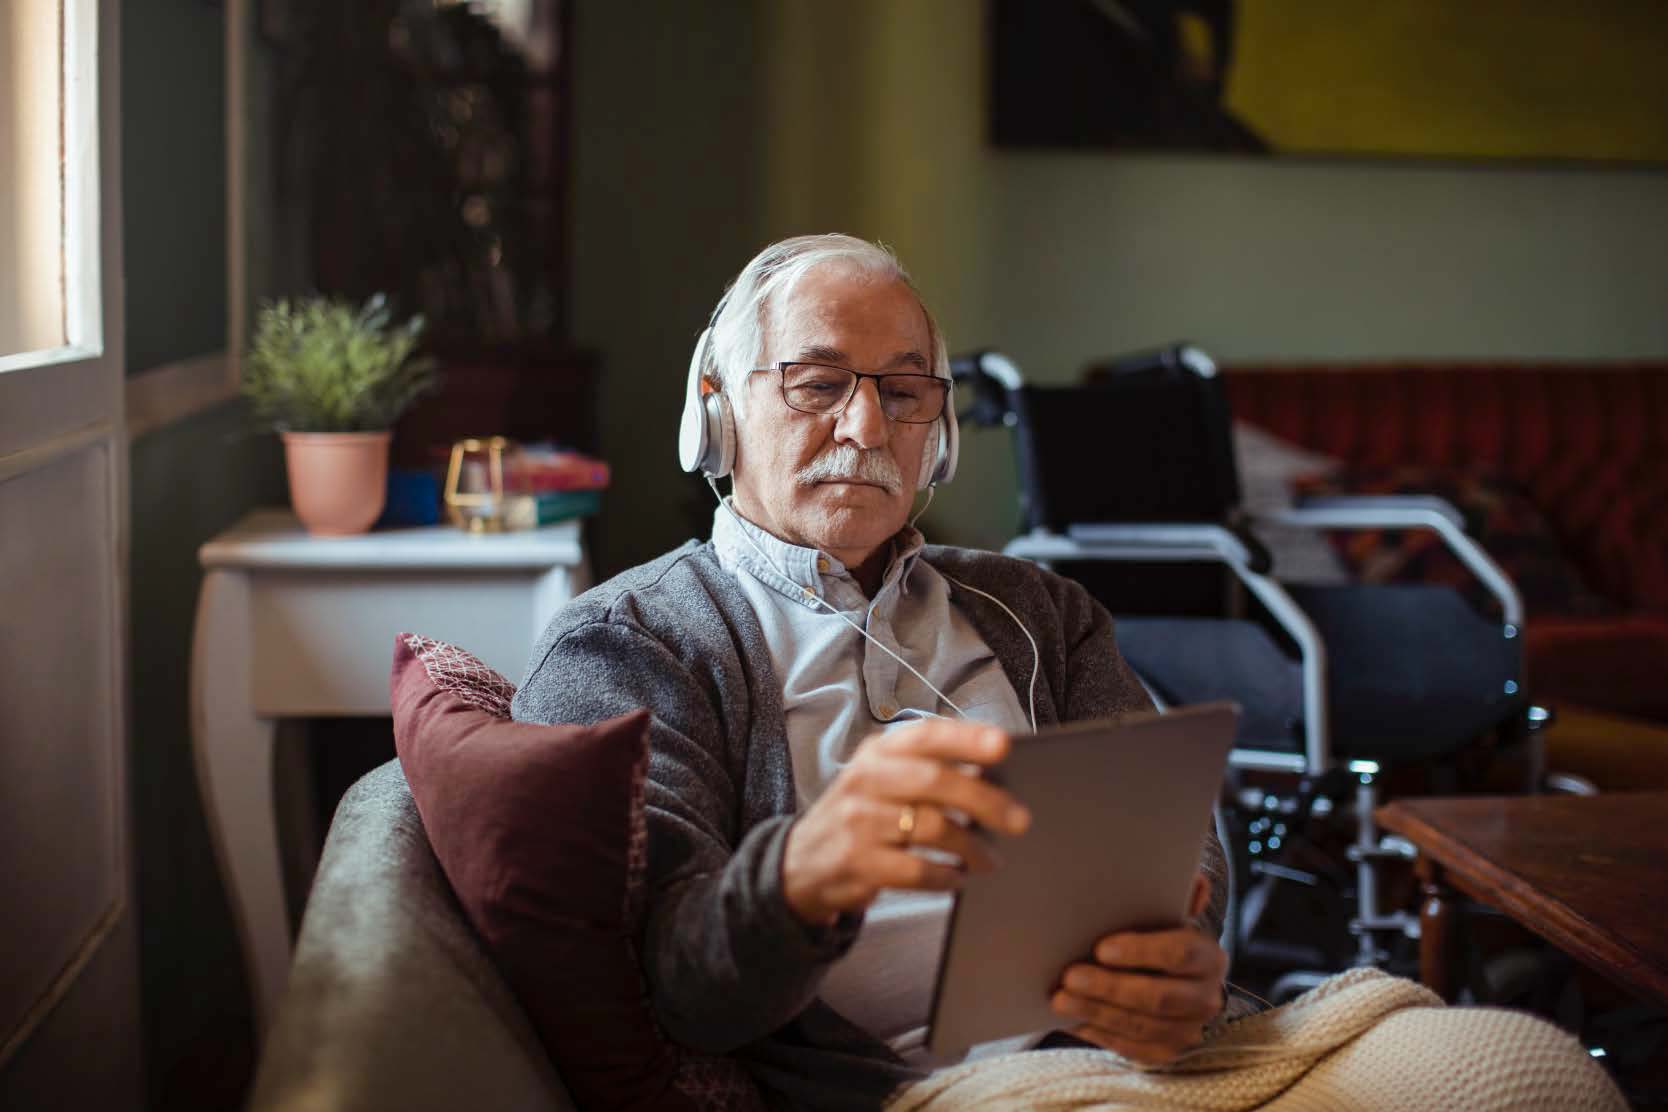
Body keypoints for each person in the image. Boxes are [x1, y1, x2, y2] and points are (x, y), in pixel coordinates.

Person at [511, 234, 1235, 1109]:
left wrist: (1178, 958)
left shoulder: (1045, 613)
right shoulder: (627, 644)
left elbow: (1174, 837)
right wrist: (800, 875)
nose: (866, 427)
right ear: (717, 411)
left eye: (903, 391)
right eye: (817, 384)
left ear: (942, 431)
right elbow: (664, 983)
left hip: (1143, 1069)